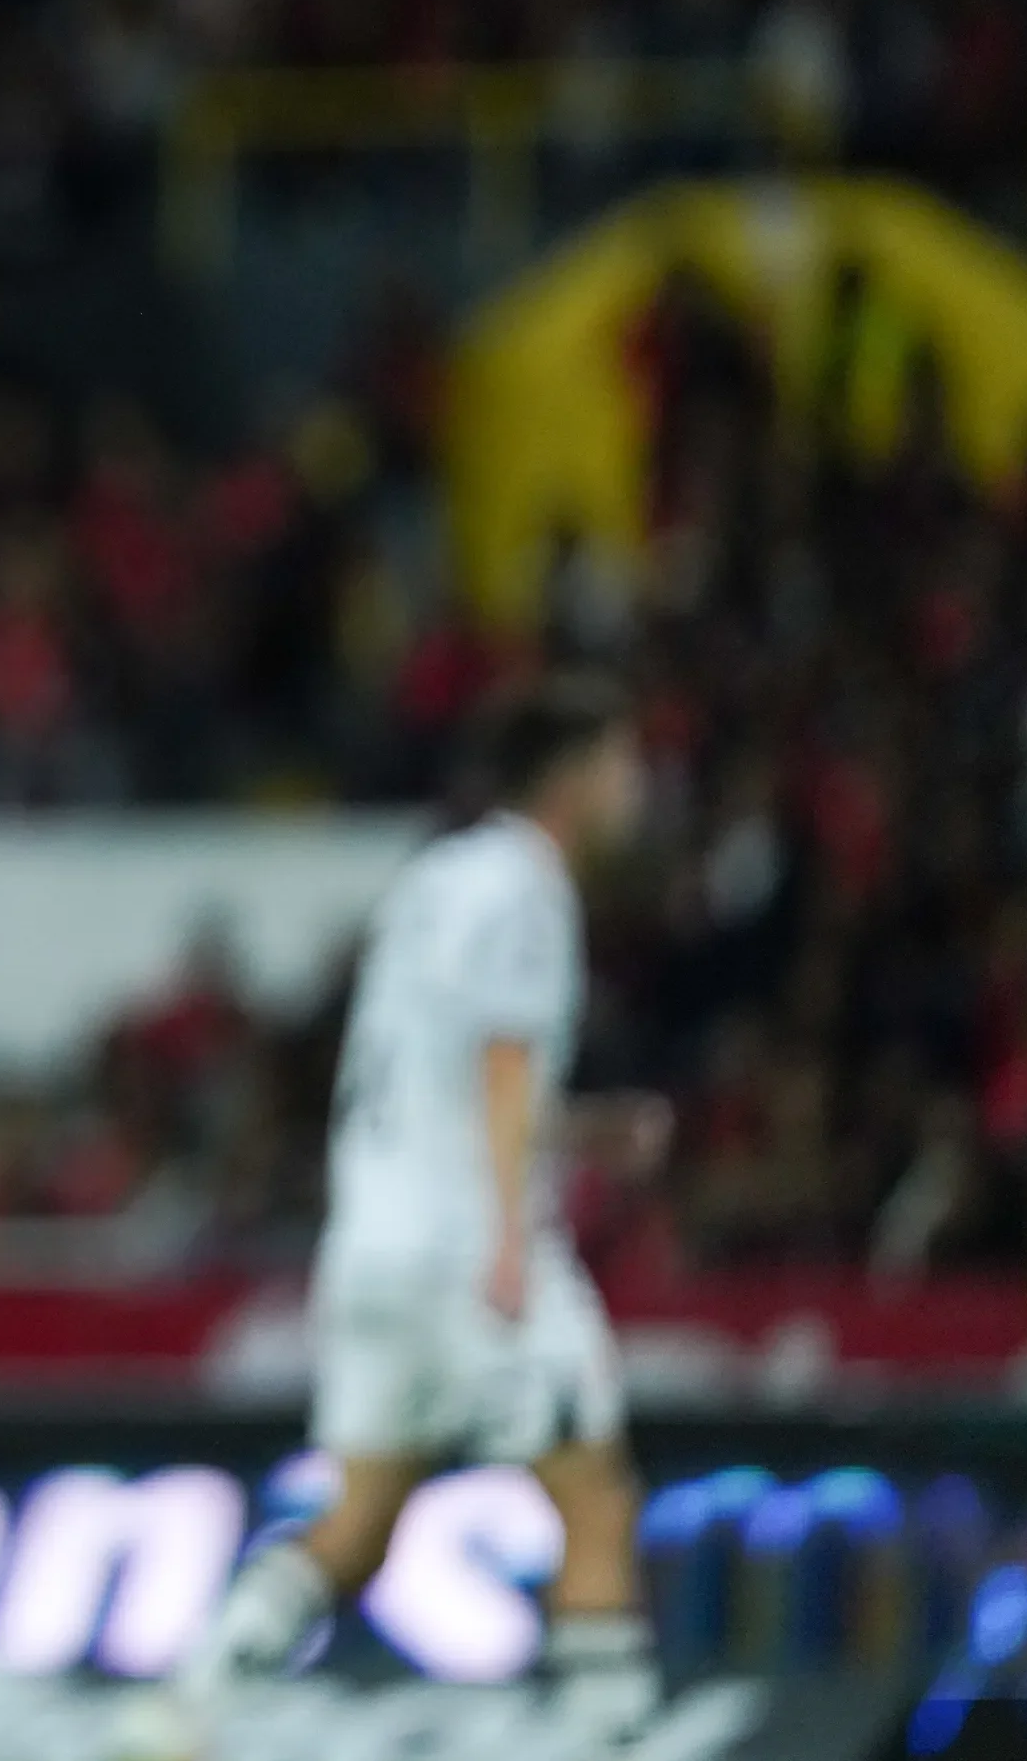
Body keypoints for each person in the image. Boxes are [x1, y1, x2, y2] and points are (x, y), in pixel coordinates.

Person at [118, 676, 662, 1758]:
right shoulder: (527, 885)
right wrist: (509, 1243)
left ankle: (182, 1708)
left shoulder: (435, 878)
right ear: (572, 777)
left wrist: (585, 1132)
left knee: (360, 1518)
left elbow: (436, 1077)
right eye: (622, 764)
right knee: (595, 1497)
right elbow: (502, 1062)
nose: (636, 787)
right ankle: (607, 1739)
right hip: (471, 1245)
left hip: (371, 1245)